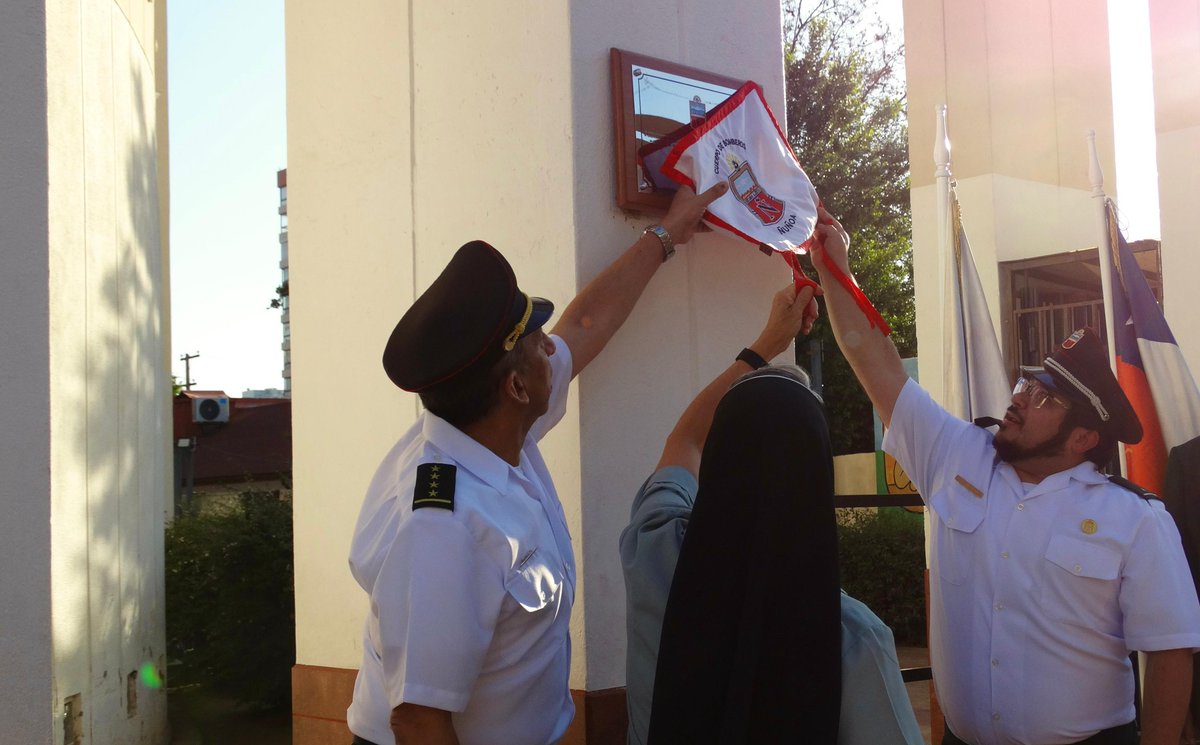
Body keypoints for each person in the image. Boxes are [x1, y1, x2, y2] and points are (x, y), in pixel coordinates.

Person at [344, 183, 732, 745]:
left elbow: (586, 326)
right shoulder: (441, 525)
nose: (552, 347)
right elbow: (419, 720)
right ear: (516, 386)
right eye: (536, 342)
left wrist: (667, 234)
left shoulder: (490, 427)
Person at [810, 207, 1200, 745]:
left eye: (1043, 398)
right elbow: (876, 364)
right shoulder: (956, 455)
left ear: (1083, 438)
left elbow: (1170, 649)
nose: (1019, 400)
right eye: (1024, 385)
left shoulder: (1134, 519)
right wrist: (837, 272)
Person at [619, 282, 925, 745]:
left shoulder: (655, 552)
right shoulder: (852, 641)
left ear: (722, 458)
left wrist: (766, 344)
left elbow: (685, 440)